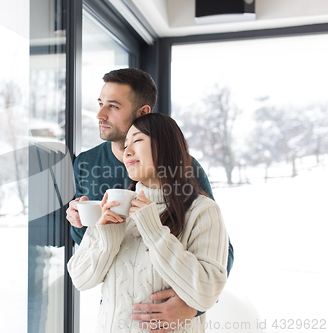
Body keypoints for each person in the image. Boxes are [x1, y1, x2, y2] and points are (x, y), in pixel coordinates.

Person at [66, 68, 234, 331]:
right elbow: (87, 259)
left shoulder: (189, 172)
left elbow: (219, 252)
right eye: (100, 104)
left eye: (113, 106)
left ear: (144, 112)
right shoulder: (86, 163)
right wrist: (81, 225)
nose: (100, 114)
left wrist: (193, 307)